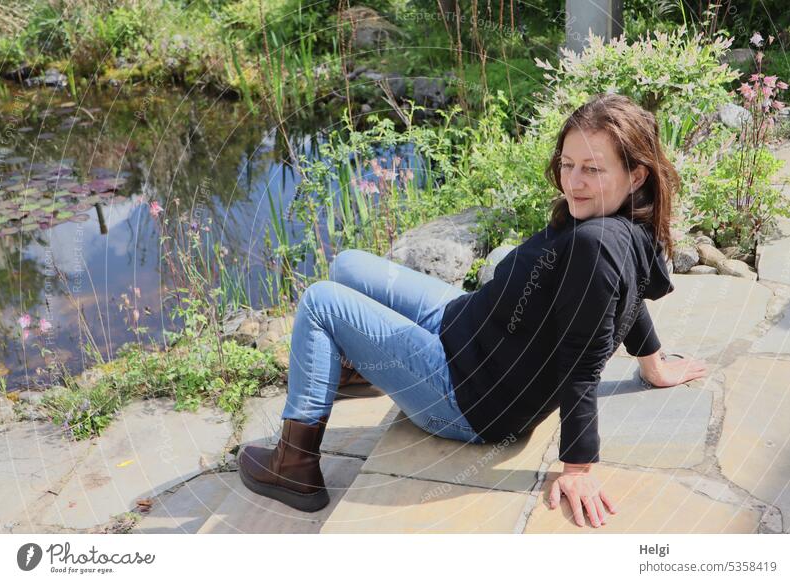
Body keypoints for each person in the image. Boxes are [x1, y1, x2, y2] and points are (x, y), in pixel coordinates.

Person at [237, 93, 708, 527]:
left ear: (637, 173)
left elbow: (584, 357)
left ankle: (293, 466)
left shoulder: (597, 244)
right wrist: (654, 365)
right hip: (464, 323)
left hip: (464, 397)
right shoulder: (626, 217)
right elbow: (625, 301)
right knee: (347, 265)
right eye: (567, 164)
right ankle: (361, 368)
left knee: (321, 300)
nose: (574, 182)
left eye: (592, 169)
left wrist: (579, 466)